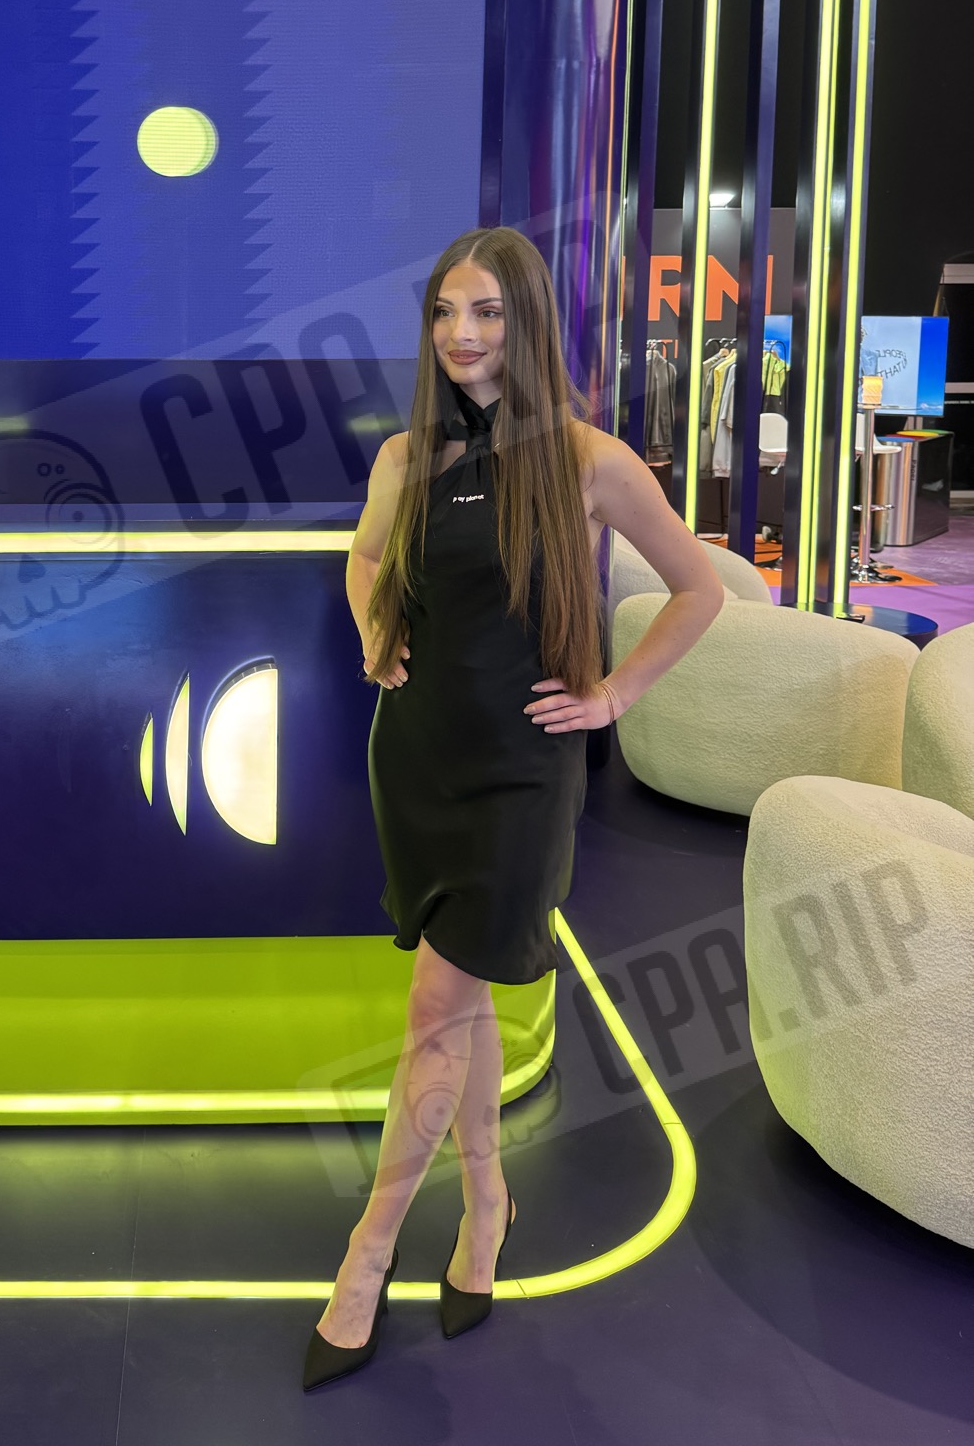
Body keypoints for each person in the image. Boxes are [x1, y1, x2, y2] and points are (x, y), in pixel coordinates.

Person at [303, 226, 725, 1391]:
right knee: (464, 999)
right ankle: (488, 1200)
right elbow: (363, 559)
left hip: (523, 777)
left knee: (436, 1005)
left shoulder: (588, 458)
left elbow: (698, 587)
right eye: (445, 311)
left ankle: (368, 1250)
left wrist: (613, 695)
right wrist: (374, 630)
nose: (462, 333)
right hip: (417, 760)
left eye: (486, 311)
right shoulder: (406, 454)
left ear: (527, 321)